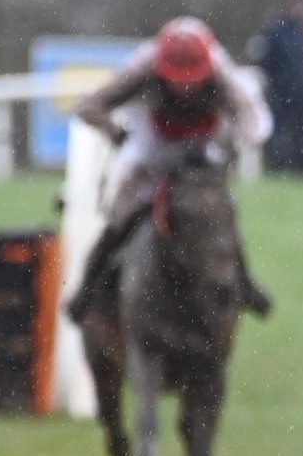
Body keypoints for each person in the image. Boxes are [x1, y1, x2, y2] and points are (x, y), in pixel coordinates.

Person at [65, 17, 272, 325]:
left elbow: (251, 121)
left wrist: (231, 145)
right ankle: (86, 289)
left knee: (220, 213)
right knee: (122, 214)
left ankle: (244, 282)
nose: (185, 87)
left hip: (200, 156)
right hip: (150, 151)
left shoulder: (221, 74)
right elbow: (89, 107)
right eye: (177, 78)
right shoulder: (142, 68)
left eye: (192, 78)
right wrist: (115, 133)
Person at [245, 0, 303, 174]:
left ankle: (300, 166)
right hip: (283, 92)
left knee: (301, 132)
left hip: (302, 93)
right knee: (281, 130)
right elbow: (266, 61)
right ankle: (280, 165)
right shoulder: (278, 33)